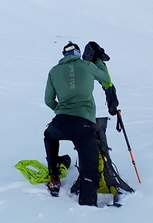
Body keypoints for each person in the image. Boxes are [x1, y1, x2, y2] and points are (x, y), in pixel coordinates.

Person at [43, 41, 111, 206]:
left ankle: (54, 174)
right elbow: (105, 78)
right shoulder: (87, 65)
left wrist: (60, 110)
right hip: (84, 124)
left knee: (49, 136)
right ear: (78, 54)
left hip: (61, 122)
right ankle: (87, 203)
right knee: (90, 164)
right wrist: (98, 61)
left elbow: (48, 100)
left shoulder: (54, 71)